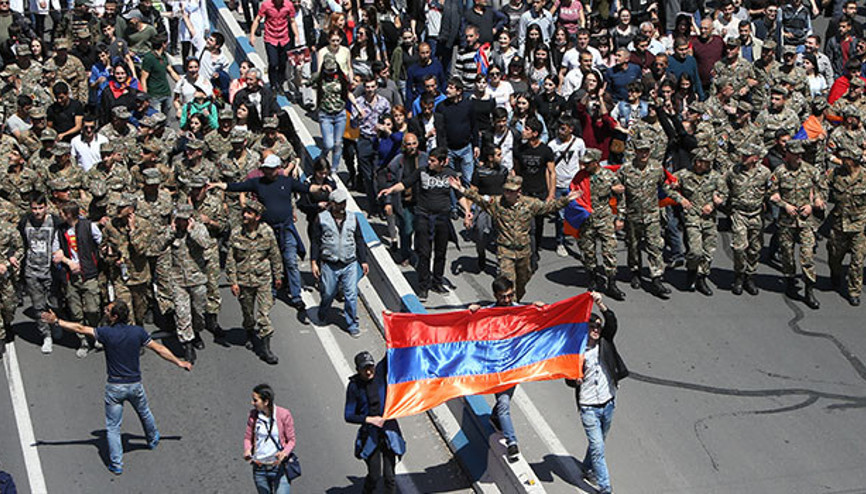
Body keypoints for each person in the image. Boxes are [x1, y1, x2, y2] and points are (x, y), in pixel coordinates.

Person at [41, 300, 193, 475]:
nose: (105, 311)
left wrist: (57, 322)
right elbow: (159, 349)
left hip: (115, 387)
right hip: (135, 384)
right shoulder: (138, 332)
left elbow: (80, 329)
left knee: (113, 427)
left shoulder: (106, 333)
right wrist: (179, 362)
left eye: (108, 310)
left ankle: (116, 463)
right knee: (144, 412)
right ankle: (152, 439)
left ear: (114, 317)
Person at [212, 154, 331, 322]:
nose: (266, 172)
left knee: (290, 261)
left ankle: (296, 296)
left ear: (277, 169)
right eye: (265, 169)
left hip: (286, 229)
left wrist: (321, 188)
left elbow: (307, 188)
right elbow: (238, 186)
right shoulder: (257, 183)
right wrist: (220, 185)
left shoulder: (286, 182)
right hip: (267, 232)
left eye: (269, 169)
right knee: (271, 262)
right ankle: (272, 292)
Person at [453, 175, 578, 301]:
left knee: (523, 281)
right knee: (507, 283)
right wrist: (462, 189)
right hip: (505, 251)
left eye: (511, 191)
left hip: (524, 252)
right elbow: (478, 199)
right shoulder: (496, 203)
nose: (507, 194)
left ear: (519, 191)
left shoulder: (530, 203)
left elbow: (549, 207)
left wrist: (567, 199)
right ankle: (510, 308)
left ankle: (515, 301)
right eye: (506, 190)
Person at [467, 276, 544, 462]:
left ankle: (494, 418)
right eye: (503, 297)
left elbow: (539, 317)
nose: (507, 300)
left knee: (504, 402)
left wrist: (539, 308)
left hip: (515, 367)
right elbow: (470, 325)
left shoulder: (520, 310)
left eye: (510, 296)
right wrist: (472, 311)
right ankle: (512, 443)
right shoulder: (488, 313)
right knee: (504, 405)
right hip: (496, 368)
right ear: (495, 296)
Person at [377, 147, 470, 301]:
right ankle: (423, 286)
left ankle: (437, 281)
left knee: (440, 252)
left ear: (443, 162)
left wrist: (467, 211)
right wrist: (390, 190)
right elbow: (404, 183)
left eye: (433, 161)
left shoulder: (450, 175)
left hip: (442, 218)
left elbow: (459, 195)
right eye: (429, 159)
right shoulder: (421, 172)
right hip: (424, 217)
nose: (429, 162)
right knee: (424, 253)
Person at [567, 291, 627, 494]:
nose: (596, 330)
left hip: (608, 402)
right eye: (592, 327)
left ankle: (585, 467)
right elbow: (568, 378)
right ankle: (605, 488)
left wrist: (601, 304)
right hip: (588, 407)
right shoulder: (577, 352)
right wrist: (574, 381)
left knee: (598, 442)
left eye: (598, 327)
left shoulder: (605, 342)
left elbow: (612, 322)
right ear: (585, 329)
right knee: (599, 449)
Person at [226, 200, 284, 364]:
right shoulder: (237, 233)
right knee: (248, 313)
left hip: (263, 278)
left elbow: (275, 255)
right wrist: (233, 281)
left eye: (249, 213)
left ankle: (266, 349)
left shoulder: (267, 232)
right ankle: (250, 332)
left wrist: (278, 276)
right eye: (244, 212)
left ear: (257, 217)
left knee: (264, 314)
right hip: (244, 280)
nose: (245, 215)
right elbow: (231, 259)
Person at [344, 351, 406, 494]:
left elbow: (392, 351)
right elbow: (348, 415)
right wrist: (370, 420)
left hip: (388, 432)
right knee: (374, 475)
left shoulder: (379, 374)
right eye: (364, 369)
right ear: (358, 370)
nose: (368, 371)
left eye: (370, 367)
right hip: (370, 435)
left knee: (390, 477)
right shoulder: (354, 387)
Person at [310, 188, 369, 337]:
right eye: (339, 204)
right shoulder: (321, 218)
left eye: (344, 203)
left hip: (349, 263)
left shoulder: (352, 218)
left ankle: (352, 324)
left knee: (351, 294)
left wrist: (363, 261)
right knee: (329, 292)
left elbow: (359, 240)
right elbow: (315, 242)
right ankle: (323, 311)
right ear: (332, 204)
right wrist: (314, 262)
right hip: (330, 263)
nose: (342, 206)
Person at [18, 192, 62, 354]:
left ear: (46, 207)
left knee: (54, 302)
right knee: (38, 306)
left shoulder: (55, 222)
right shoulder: (25, 222)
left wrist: (61, 253)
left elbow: (64, 238)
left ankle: (56, 324)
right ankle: (46, 335)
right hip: (32, 271)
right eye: (34, 208)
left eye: (40, 208)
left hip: (50, 271)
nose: (37, 212)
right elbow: (19, 241)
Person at [244, 384, 296, 494]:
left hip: (279, 468)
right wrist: (248, 450)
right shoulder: (253, 416)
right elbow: (248, 438)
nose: (252, 403)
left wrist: (284, 453)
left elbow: (291, 440)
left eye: (255, 400)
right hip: (259, 469)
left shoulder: (283, 414)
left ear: (266, 402)